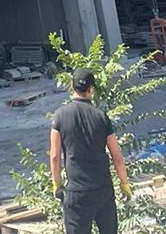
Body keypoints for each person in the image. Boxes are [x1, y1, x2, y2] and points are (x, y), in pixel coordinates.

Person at [50, 68, 131, 234]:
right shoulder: (101, 116)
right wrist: (124, 183)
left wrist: (56, 183)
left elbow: (55, 156)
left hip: (77, 191)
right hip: (103, 189)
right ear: (91, 89)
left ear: (72, 87)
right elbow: (117, 157)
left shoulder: (60, 116)